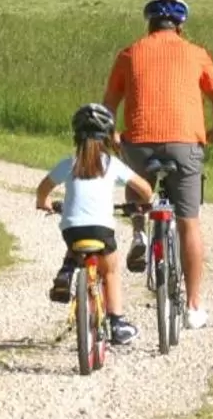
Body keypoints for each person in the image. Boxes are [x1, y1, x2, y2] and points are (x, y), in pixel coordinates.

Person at [102, 0, 213, 330]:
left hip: (140, 142)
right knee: (189, 222)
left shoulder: (129, 53)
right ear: (180, 25)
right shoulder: (196, 53)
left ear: (149, 24)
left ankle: (140, 232)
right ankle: (192, 306)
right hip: (185, 142)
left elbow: (107, 107)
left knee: (137, 184)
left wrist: (115, 137)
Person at [35, 103, 152, 348]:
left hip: (72, 229)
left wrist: (44, 203)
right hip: (101, 229)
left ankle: (67, 271)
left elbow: (43, 189)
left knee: (75, 244)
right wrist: (142, 204)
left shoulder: (69, 164)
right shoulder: (112, 165)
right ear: (108, 137)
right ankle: (117, 323)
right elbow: (145, 189)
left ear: (76, 136)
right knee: (110, 271)